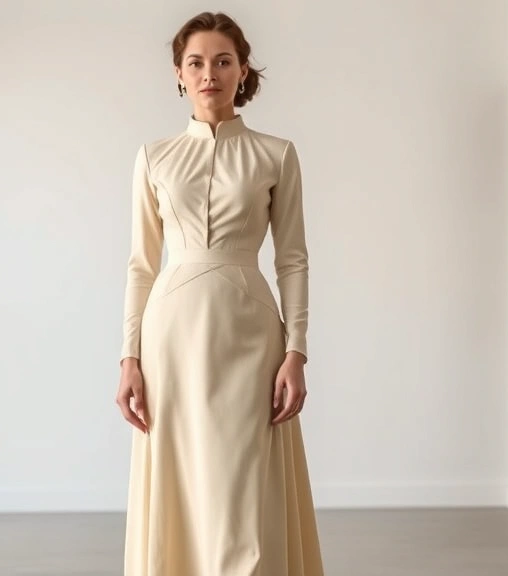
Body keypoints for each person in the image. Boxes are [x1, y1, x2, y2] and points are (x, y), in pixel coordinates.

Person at [116, 11, 324, 576]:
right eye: (197, 62)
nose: (210, 73)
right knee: (180, 481)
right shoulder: (154, 156)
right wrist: (129, 358)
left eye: (223, 61)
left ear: (242, 70)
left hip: (250, 334)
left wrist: (296, 351)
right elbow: (141, 265)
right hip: (170, 337)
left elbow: (293, 259)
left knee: (244, 491)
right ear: (179, 74)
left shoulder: (276, 154)